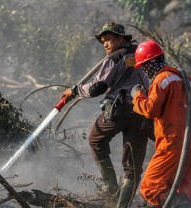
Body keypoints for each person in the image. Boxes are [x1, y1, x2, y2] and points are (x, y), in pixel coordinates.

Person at [61, 22, 153, 208]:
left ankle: (111, 188)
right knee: (132, 166)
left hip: (118, 110)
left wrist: (75, 90)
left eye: (109, 39)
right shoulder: (141, 54)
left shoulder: (115, 58)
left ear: (121, 39)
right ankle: (123, 205)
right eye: (103, 41)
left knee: (96, 139)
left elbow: (97, 87)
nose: (105, 44)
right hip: (142, 110)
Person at [131, 40, 191, 207]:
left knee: (150, 187)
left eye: (144, 66)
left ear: (151, 62)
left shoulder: (162, 79)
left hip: (172, 144)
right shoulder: (184, 78)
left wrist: (137, 95)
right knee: (183, 191)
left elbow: (150, 110)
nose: (145, 70)